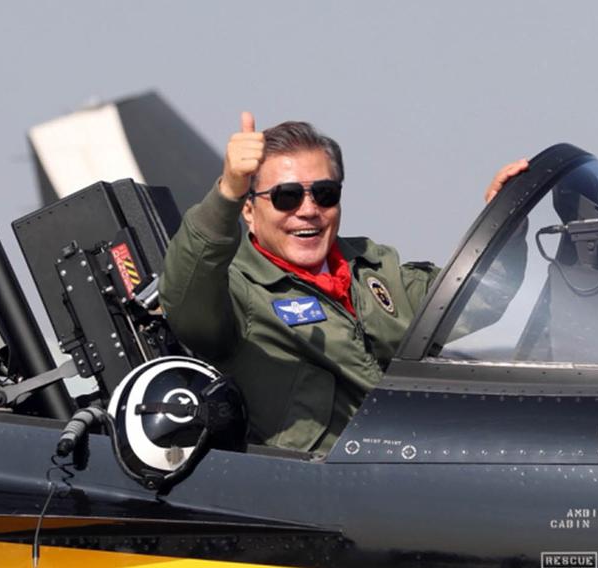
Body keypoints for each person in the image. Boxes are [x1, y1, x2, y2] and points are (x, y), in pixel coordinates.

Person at [159, 112, 527, 453]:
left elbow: (478, 301)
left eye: (324, 194)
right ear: (249, 211)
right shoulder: (237, 291)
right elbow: (185, 298)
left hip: (416, 466)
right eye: (286, 197)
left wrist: (505, 222)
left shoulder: (377, 269)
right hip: (315, 499)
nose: (308, 210)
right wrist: (226, 192)